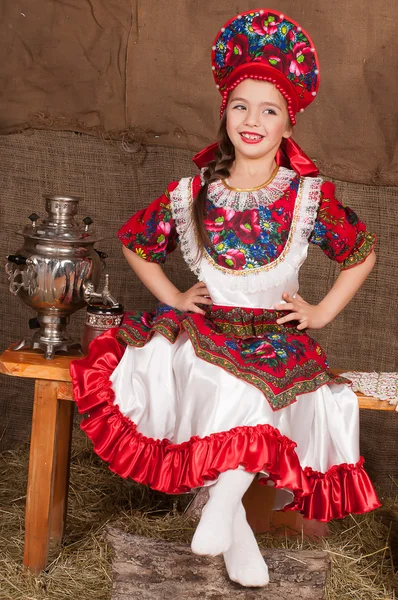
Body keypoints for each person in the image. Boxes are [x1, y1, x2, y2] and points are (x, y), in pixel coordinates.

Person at [71, 8, 380, 588]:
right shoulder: (193, 193)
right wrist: (174, 296)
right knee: (209, 379)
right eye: (241, 106)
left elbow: (360, 253)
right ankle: (227, 518)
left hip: (275, 339)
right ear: (225, 115)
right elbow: (138, 243)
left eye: (269, 110)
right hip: (206, 331)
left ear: (288, 125)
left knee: (255, 393)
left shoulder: (305, 197)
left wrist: (320, 312)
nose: (253, 119)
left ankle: (220, 508)